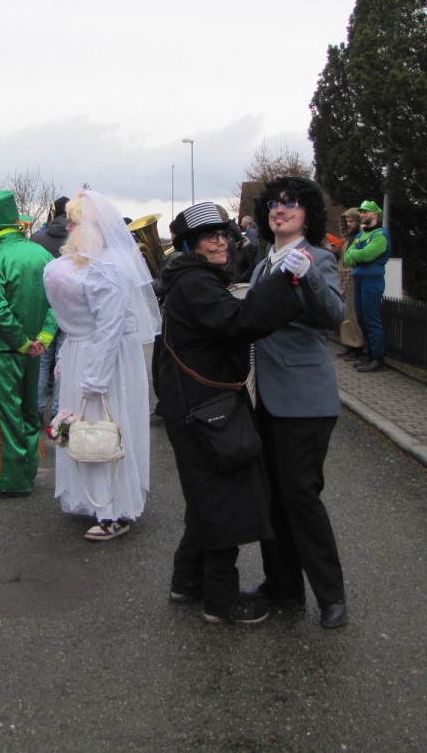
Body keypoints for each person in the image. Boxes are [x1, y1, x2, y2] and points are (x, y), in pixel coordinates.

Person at [154, 201, 306, 625]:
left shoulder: (190, 279)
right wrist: (284, 281)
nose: (221, 242)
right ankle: (220, 600)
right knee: (224, 498)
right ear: (191, 245)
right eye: (210, 237)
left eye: (223, 235)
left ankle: (187, 580)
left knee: (206, 497)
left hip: (195, 404)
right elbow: (239, 322)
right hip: (205, 408)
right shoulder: (196, 284)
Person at [249, 177, 349, 629]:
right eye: (274, 203)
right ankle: (283, 584)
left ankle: (331, 596)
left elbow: (333, 314)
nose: (280, 209)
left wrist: (307, 277)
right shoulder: (262, 263)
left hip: (305, 400)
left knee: (301, 496)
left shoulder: (318, 257)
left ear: (307, 213)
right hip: (264, 399)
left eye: (291, 203)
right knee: (271, 497)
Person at [43, 190, 160, 541]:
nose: (69, 227)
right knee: (85, 429)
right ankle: (91, 498)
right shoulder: (80, 264)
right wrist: (66, 357)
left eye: (76, 221)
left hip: (107, 361)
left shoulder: (108, 269)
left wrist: (94, 379)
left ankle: (114, 509)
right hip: (82, 352)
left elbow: (109, 330)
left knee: (107, 427)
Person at [0, 189, 58, 498]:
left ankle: (13, 480)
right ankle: (28, 470)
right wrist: (43, 338)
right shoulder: (42, 254)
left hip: (5, 350)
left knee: (7, 414)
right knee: (28, 410)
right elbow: (57, 300)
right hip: (35, 348)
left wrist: (22, 342)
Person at [32, 196, 70, 419]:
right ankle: (58, 413)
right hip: (69, 307)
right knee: (64, 362)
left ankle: (36, 410)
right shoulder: (78, 237)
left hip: (43, 306)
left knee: (42, 359)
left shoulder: (37, 238)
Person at [342, 200, 389, 372]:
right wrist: (357, 255)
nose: (362, 215)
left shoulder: (380, 235)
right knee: (361, 319)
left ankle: (378, 357)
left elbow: (367, 255)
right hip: (360, 279)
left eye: (365, 212)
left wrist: (356, 255)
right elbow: (347, 257)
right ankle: (368, 354)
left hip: (372, 281)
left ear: (375, 215)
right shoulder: (361, 235)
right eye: (361, 212)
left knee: (371, 319)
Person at [336, 208, 365, 360]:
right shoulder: (348, 241)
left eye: (351, 221)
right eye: (346, 222)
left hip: (353, 278)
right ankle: (348, 344)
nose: (348, 224)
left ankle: (356, 345)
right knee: (345, 313)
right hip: (344, 277)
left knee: (353, 313)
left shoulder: (360, 239)